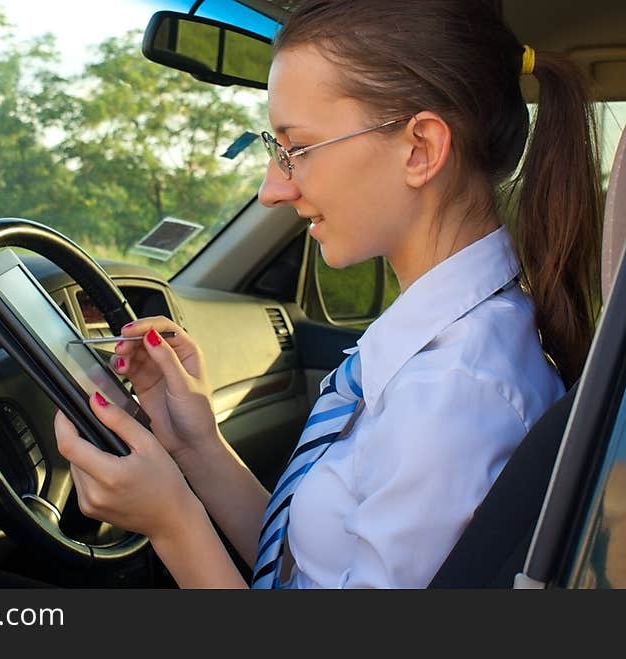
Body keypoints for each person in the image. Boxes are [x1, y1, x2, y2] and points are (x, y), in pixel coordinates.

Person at [53, 0, 602, 588]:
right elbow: (313, 569)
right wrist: (199, 449)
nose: (271, 189)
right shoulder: (443, 341)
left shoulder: (454, 394)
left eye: (298, 148)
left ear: (420, 149)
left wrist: (171, 522)